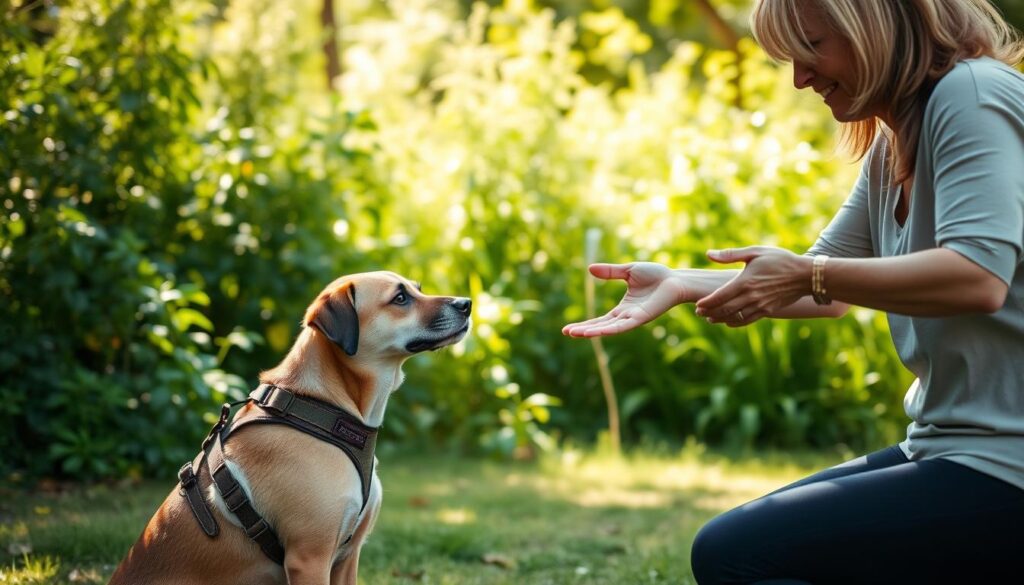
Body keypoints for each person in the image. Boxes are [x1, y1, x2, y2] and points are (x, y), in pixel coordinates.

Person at [562, 0, 1024, 582]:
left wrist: (807, 274)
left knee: (736, 552)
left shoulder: (972, 94)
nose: (800, 78)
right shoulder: (893, 143)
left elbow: (977, 276)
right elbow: (824, 281)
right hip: (948, 447)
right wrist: (680, 283)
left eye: (811, 48)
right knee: (745, 542)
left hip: (1008, 462)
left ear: (875, 28)